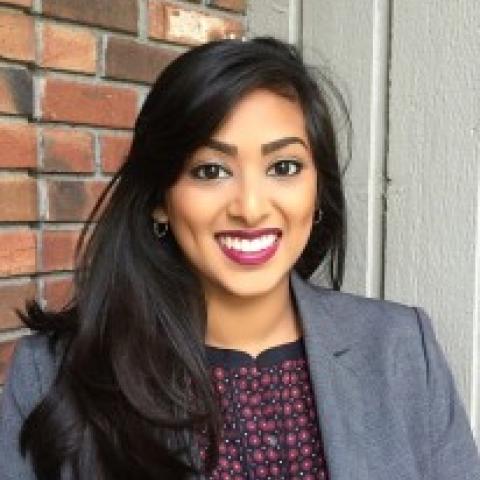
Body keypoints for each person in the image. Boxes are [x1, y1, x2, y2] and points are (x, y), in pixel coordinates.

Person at [0, 37, 479, 480]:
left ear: (318, 191)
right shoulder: (51, 374)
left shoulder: (401, 348)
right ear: (159, 199)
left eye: (284, 167)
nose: (250, 207)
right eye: (210, 170)